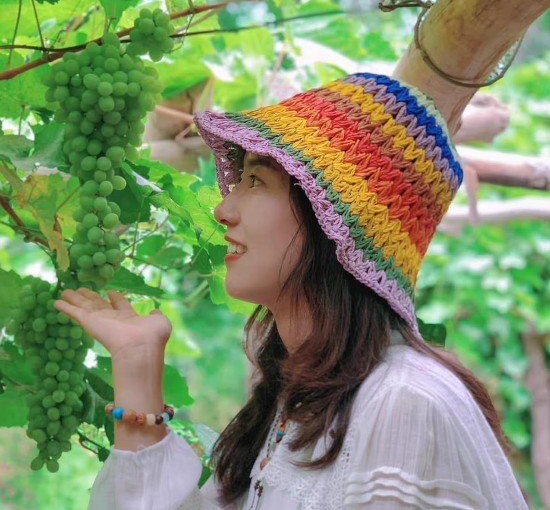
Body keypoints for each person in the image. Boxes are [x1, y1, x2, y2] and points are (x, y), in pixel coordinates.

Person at [55, 72, 528, 509]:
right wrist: (137, 366)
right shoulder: (301, 399)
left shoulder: (402, 402)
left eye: (256, 181)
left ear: (334, 220)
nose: (223, 209)